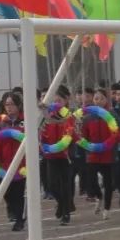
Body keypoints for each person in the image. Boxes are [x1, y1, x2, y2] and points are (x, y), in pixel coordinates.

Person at [84, 89, 120, 219]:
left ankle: (107, 208)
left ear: (106, 100)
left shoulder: (112, 114)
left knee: (108, 182)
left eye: (101, 98)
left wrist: (113, 142)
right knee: (91, 180)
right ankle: (99, 196)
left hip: (108, 153)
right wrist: (87, 147)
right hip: (92, 153)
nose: (98, 101)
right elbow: (84, 136)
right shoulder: (88, 117)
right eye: (96, 98)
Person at [0, 93, 27, 231]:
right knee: (6, 192)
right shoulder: (2, 123)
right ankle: (13, 211)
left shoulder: (26, 121)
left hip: (22, 164)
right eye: (7, 104)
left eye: (12, 104)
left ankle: (20, 219)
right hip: (5, 163)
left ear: (18, 105)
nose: (9, 107)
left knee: (19, 193)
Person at [42, 89, 75, 225]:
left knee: (66, 185)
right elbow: (42, 135)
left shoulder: (69, 117)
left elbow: (71, 135)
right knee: (52, 185)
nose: (56, 104)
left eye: (59, 101)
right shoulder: (47, 117)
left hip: (66, 155)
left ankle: (66, 213)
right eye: (54, 101)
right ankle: (62, 204)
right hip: (51, 155)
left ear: (65, 101)